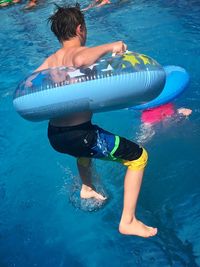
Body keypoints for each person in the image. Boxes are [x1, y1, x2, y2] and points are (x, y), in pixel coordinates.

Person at [34, 4, 157, 238]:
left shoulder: (51, 60)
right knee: (139, 157)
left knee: (84, 150)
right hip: (80, 135)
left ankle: (87, 187)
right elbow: (80, 60)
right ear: (80, 29)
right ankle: (128, 220)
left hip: (56, 134)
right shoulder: (76, 53)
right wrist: (112, 45)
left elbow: (30, 82)